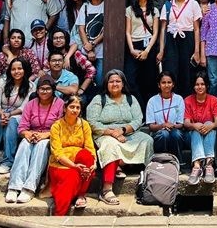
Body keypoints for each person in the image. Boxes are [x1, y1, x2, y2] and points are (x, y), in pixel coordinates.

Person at [87, 70, 154, 205]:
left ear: (123, 84)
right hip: (105, 133)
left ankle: (148, 178)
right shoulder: (99, 99)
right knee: (110, 145)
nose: (115, 84)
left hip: (128, 133)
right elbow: (92, 122)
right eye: (111, 81)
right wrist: (113, 133)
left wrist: (122, 130)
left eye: (118, 81)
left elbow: (137, 119)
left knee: (147, 140)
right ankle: (106, 189)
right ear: (106, 84)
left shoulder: (130, 99)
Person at [5, 75, 64, 203]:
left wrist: (45, 135)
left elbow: (61, 127)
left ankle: (29, 188)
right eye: (42, 89)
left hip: (49, 137)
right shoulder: (31, 104)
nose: (44, 91)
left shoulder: (60, 104)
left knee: (42, 146)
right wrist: (27, 134)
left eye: (48, 89)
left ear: (53, 90)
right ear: (37, 90)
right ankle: (14, 187)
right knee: (24, 145)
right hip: (31, 135)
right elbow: (22, 126)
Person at [48, 94, 96, 216]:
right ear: (65, 108)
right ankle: (58, 216)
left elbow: (90, 147)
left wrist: (94, 163)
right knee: (71, 177)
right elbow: (57, 153)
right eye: (72, 107)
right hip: (60, 164)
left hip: (80, 161)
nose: (75, 110)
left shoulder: (84, 125)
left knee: (87, 157)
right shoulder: (56, 126)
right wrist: (74, 166)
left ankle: (81, 194)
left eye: (77, 107)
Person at [158, 0, 203, 96]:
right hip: (171, 40)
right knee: (171, 71)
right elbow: (163, 29)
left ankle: (186, 103)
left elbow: (197, 29)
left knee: (187, 72)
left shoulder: (194, 4)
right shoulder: (168, 5)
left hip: (188, 39)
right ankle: (172, 101)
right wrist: (162, 50)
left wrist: (197, 51)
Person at [0, 58, 33, 174]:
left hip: (18, 114)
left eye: (19, 68)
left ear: (25, 70)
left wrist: (9, 115)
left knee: (12, 122)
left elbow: (24, 107)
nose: (16, 71)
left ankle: (8, 162)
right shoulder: (2, 82)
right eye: (13, 69)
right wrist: (2, 114)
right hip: (0, 111)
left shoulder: (31, 86)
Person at [125, 0, 160, 111]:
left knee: (149, 80)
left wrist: (147, 51)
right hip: (134, 44)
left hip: (149, 46)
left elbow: (155, 32)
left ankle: (149, 113)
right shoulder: (129, 9)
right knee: (130, 79)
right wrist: (131, 49)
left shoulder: (154, 9)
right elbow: (127, 31)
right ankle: (140, 109)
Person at [183, 72, 217, 185]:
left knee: (210, 123)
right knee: (195, 129)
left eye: (202, 84)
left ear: (207, 85)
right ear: (193, 86)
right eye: (197, 84)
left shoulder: (214, 100)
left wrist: (211, 126)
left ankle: (208, 165)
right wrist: (195, 125)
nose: (199, 87)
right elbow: (186, 123)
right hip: (192, 136)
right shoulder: (188, 100)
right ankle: (197, 166)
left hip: (210, 135)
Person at [145, 71, 186, 163]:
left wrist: (172, 126)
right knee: (164, 134)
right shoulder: (152, 101)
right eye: (163, 83)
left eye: (169, 82)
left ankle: (178, 162)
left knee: (176, 134)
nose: (166, 85)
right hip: (158, 133)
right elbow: (151, 127)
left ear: (173, 84)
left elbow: (181, 124)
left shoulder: (179, 99)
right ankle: (162, 162)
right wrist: (163, 125)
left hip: (175, 130)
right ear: (159, 85)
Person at [47, 28, 95, 100]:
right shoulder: (50, 56)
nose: (58, 40)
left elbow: (91, 70)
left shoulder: (75, 54)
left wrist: (81, 89)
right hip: (58, 91)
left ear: (66, 40)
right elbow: (45, 71)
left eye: (61, 38)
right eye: (55, 38)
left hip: (77, 89)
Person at [75, 0, 105, 85]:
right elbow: (81, 28)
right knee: (86, 79)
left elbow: (107, 30)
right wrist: (88, 47)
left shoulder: (106, 5)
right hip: (86, 51)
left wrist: (93, 44)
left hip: (101, 51)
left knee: (100, 81)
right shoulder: (85, 6)